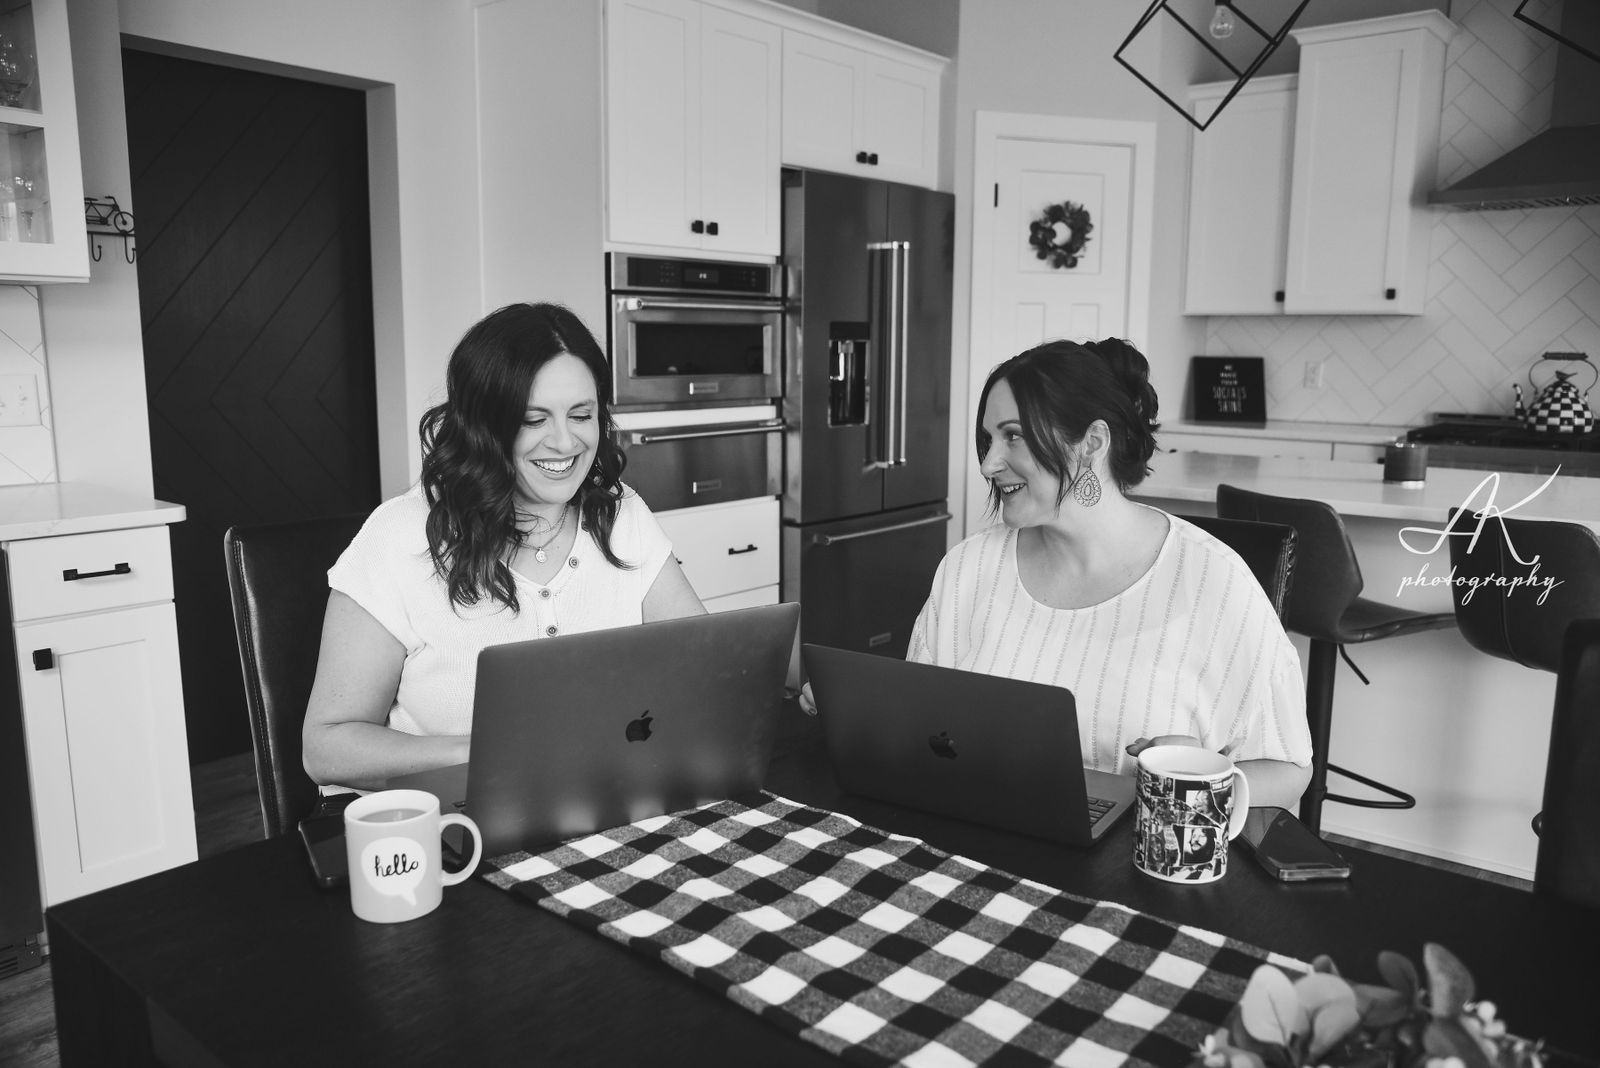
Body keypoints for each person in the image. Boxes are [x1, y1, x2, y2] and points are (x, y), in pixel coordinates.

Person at [807, 338, 1312, 810]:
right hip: (979, 837)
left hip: (1137, 859)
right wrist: (862, 711)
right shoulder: (968, 568)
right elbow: (924, 722)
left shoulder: (1215, 583)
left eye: (1013, 436)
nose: (988, 464)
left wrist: (1199, 779)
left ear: (1092, 443)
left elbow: (1290, 767)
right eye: (987, 440)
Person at [302, 303, 705, 791]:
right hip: (451, 816)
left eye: (581, 415)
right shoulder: (399, 536)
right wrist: (488, 756)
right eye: (534, 420)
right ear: (483, 425)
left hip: (600, 799)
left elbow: (705, 666)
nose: (565, 442)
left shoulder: (621, 515)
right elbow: (326, 748)